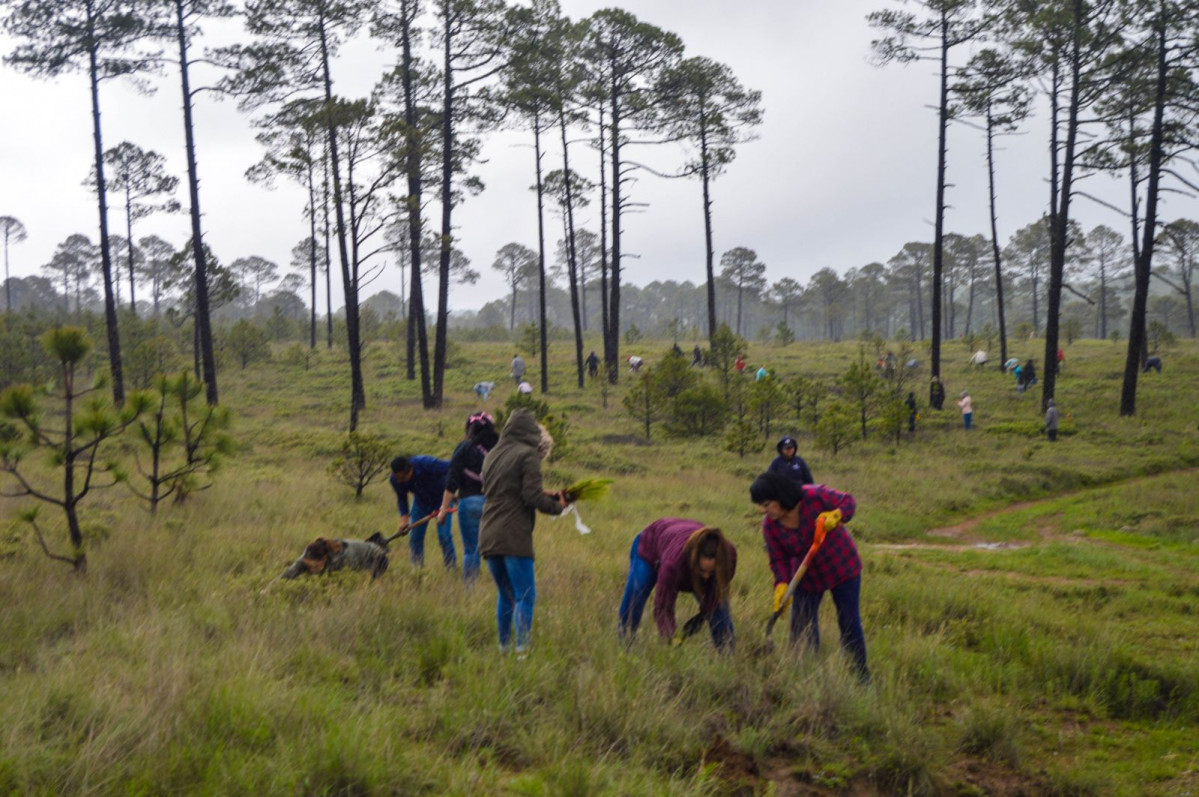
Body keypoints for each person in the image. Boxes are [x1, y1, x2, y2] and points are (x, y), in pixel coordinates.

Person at [749, 472, 868, 681]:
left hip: (842, 566)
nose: (764, 510)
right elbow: (778, 560)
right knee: (801, 626)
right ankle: (807, 676)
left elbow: (848, 501)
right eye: (761, 506)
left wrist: (837, 515)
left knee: (849, 622)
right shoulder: (770, 526)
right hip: (807, 576)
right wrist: (782, 584)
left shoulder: (813, 496)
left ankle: (859, 676)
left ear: (780, 496)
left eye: (767, 504)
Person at [478, 408, 567, 656]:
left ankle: (504, 648)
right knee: (525, 595)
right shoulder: (528, 455)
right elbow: (529, 496)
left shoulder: (493, 454)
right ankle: (523, 652)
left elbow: (504, 490)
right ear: (531, 432)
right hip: (513, 534)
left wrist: (544, 494)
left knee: (505, 595)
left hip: (487, 533)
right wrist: (557, 507)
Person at [617, 520, 737, 650]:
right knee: (636, 593)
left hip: (677, 534)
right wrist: (672, 640)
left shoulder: (728, 557)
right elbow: (663, 607)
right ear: (694, 560)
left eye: (712, 572)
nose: (706, 577)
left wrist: (703, 615)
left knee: (719, 610)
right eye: (702, 570)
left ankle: (727, 657)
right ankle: (624, 648)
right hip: (650, 545)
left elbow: (716, 593)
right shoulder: (673, 564)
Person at [436, 413, 499, 583]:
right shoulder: (499, 449)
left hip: (469, 502)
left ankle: (470, 591)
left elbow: (451, 482)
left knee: (471, 551)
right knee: (494, 550)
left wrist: (443, 510)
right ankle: (500, 587)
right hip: (495, 505)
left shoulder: (464, 448)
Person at [390, 454, 454, 568]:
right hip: (421, 504)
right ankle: (417, 568)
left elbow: (452, 468)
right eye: (397, 478)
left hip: (443, 502)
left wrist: (453, 490)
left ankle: (451, 569)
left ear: (410, 471)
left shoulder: (426, 464)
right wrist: (404, 520)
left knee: (444, 537)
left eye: (402, 478)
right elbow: (402, 499)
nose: (400, 481)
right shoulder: (395, 480)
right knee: (415, 537)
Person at [278, 536, 389, 581]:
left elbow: (351, 578)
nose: (311, 570)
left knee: (366, 584)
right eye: (309, 566)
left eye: (315, 566)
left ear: (325, 559)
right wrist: (270, 588)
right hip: (359, 553)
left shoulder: (344, 558)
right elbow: (289, 573)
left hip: (377, 558)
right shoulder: (307, 555)